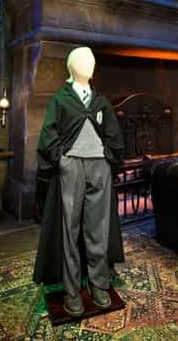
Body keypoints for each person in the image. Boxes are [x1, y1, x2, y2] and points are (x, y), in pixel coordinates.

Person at [32, 47, 125, 317]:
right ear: (71, 67)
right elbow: (49, 135)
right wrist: (62, 159)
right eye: (83, 60)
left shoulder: (101, 102)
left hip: (99, 167)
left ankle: (99, 284)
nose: (89, 64)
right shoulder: (60, 100)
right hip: (71, 167)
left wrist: (108, 158)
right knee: (69, 229)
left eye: (92, 60)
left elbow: (113, 134)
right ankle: (72, 290)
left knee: (98, 229)